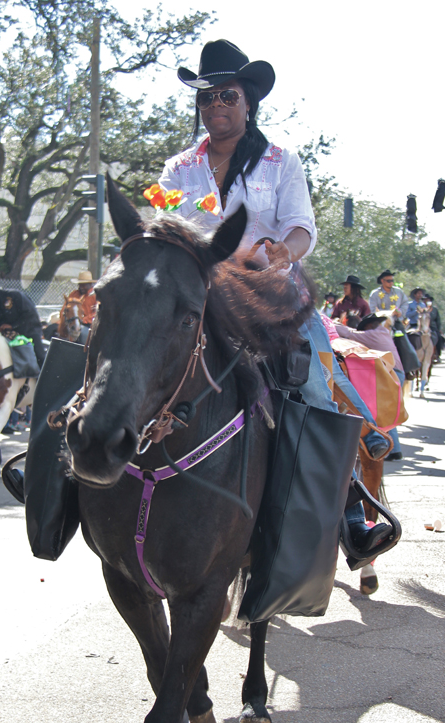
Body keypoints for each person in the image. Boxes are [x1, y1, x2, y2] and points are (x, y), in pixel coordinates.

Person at [159, 38, 391, 555]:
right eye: (206, 97)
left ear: (249, 102)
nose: (216, 105)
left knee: (314, 389)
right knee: (122, 344)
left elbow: (302, 226)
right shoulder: (178, 170)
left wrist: (286, 251)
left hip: (269, 294)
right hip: (199, 293)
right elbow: (168, 222)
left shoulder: (280, 161)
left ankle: (351, 513)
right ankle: (65, 477)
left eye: (227, 95)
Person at [335, 313, 405, 460]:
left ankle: (377, 440)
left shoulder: (373, 335)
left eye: (365, 327)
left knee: (381, 410)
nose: (364, 330)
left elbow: (349, 333)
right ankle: (394, 449)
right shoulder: (383, 333)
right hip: (394, 371)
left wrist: (329, 323)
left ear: (370, 325)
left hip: (389, 372)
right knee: (386, 409)